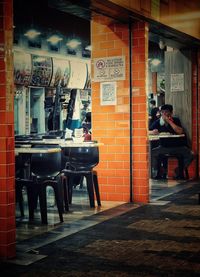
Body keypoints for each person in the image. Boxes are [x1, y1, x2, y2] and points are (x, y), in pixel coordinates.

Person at [149, 104, 194, 179]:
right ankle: (160, 171)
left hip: (178, 147)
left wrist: (169, 122)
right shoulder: (158, 122)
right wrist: (152, 132)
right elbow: (148, 131)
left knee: (191, 154)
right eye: (162, 112)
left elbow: (180, 131)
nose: (164, 114)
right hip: (164, 147)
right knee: (152, 153)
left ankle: (178, 171)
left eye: (166, 112)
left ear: (171, 112)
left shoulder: (175, 120)